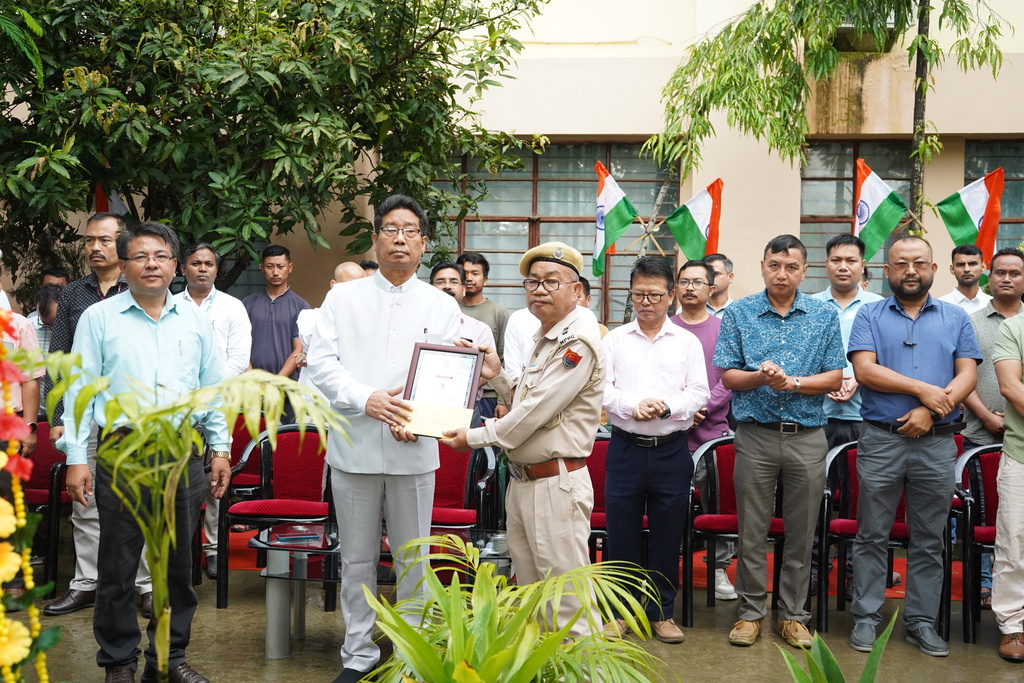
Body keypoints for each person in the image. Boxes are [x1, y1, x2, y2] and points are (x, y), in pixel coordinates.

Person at [60, 221, 231, 683]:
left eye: (160, 256)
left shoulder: (196, 320)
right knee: (117, 564)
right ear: (125, 264)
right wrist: (77, 457)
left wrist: (220, 447)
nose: (151, 264)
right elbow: (80, 391)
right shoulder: (100, 318)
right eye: (140, 256)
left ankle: (169, 658)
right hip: (123, 452)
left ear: (174, 264)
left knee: (177, 565)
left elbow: (211, 389)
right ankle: (118, 661)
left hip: (182, 452)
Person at [307, 195, 462, 683]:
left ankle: (411, 656)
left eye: (410, 230)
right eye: (390, 228)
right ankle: (357, 656)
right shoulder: (342, 298)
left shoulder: (441, 304)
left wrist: (421, 418)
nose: (399, 237)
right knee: (355, 558)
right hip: (354, 444)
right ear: (375, 239)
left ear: (424, 243)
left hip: (414, 448)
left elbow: (450, 374)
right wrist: (365, 398)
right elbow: (322, 363)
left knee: (414, 558)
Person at [441, 241, 605, 638]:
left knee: (568, 605)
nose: (540, 289)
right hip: (525, 480)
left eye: (552, 281)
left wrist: (474, 437)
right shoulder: (543, 334)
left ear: (578, 291)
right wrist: (496, 374)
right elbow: (525, 399)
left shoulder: (576, 341)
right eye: (532, 282)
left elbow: (532, 415)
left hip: (555, 484)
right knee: (533, 599)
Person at [847, 236, 980, 657]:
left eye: (919, 263)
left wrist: (932, 412)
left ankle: (921, 621)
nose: (910, 270)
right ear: (886, 271)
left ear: (933, 269)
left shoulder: (957, 317)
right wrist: (925, 391)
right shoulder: (868, 314)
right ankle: (866, 617)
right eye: (901, 263)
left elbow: (967, 377)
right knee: (871, 534)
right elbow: (865, 371)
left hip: (937, 445)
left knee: (929, 537)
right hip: (881, 441)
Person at [713, 234, 845, 649]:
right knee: (752, 530)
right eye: (774, 265)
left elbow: (835, 377)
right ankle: (751, 614)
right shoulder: (739, 313)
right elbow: (728, 375)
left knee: (802, 532)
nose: (781, 273)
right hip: (755, 435)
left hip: (807, 437)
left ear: (805, 271)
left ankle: (792, 615)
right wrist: (761, 378)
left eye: (791, 267)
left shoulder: (823, 315)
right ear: (763, 266)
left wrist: (792, 382)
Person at [45, 212, 151, 618]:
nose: (94, 248)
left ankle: (143, 585)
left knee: (137, 498)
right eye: (89, 241)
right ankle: (87, 582)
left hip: (132, 414)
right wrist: (58, 415)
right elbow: (59, 361)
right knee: (83, 500)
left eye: (104, 240)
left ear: (122, 243)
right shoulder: (72, 294)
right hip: (83, 413)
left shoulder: (143, 287)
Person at [602, 256, 708, 643]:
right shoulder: (613, 339)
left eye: (654, 294)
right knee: (621, 535)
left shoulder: (687, 341)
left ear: (672, 295)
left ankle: (661, 612)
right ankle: (620, 612)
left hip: (671, 450)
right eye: (639, 294)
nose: (646, 302)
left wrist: (667, 407)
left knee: (667, 535)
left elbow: (699, 391)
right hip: (626, 449)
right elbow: (602, 388)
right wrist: (633, 406)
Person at [174, 242, 252, 580]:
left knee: (216, 479)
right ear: (182, 268)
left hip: (221, 402)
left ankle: (213, 550)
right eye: (195, 263)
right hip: (178, 407)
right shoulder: (169, 305)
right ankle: (181, 552)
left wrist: (210, 388)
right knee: (179, 479)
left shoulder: (233, 308)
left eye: (208, 263)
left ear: (216, 270)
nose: (202, 268)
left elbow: (238, 358)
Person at [961, 248, 1024, 609]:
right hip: (979, 432)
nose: (1007, 278)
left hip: (1019, 433)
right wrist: (985, 415)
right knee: (988, 514)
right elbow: (961, 376)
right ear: (990, 276)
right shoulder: (970, 321)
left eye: (1015, 273)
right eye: (1000, 272)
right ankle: (986, 584)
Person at [671, 259, 736, 600]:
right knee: (669, 503)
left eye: (698, 282)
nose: (690, 287)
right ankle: (668, 565)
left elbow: (728, 378)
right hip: (671, 433)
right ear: (675, 288)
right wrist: (681, 410)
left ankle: (719, 567)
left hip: (712, 433)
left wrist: (702, 408)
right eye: (684, 281)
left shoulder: (723, 329)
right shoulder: (665, 328)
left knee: (717, 504)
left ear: (711, 288)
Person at [811, 235, 884, 450]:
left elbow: (889, 356)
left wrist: (859, 378)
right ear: (826, 265)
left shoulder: (879, 306)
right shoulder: (809, 306)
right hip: (817, 415)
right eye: (836, 260)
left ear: (862, 266)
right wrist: (826, 382)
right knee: (819, 481)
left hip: (866, 414)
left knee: (858, 481)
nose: (843, 267)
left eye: (851, 261)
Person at [992, 274, 1024, 663]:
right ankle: (1013, 626)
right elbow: (1011, 388)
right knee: (1014, 545)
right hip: (1020, 454)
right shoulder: (1013, 328)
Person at [429, 262, 496, 405]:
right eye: (440, 281)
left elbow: (486, 372)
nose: (447, 286)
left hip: (466, 406)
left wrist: (454, 391)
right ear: (430, 288)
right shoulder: (418, 326)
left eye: (454, 282)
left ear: (464, 290)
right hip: (424, 403)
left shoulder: (480, 329)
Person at [243, 244, 309, 381]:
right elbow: (239, 346)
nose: (275, 272)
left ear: (290, 267)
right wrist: (254, 381)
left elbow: (299, 349)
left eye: (280, 266)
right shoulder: (247, 304)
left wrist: (275, 384)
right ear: (262, 268)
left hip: (287, 388)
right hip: (251, 387)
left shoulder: (301, 306)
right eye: (269, 266)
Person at [455, 252, 509, 418]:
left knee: (482, 442)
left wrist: (503, 401)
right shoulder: (450, 311)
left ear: (485, 279)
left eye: (475, 273)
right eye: (465, 274)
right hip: (449, 391)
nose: (469, 278)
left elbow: (504, 357)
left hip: (487, 396)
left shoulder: (499, 312)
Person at [939, 244, 991, 314]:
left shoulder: (993, 305)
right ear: (952, 269)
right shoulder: (940, 306)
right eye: (960, 265)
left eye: (972, 264)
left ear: (983, 267)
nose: (966, 269)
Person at [703, 253, 735, 318]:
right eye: (707, 274)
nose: (710, 278)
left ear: (730, 277)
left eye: (716, 274)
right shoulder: (687, 311)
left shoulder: (739, 312)